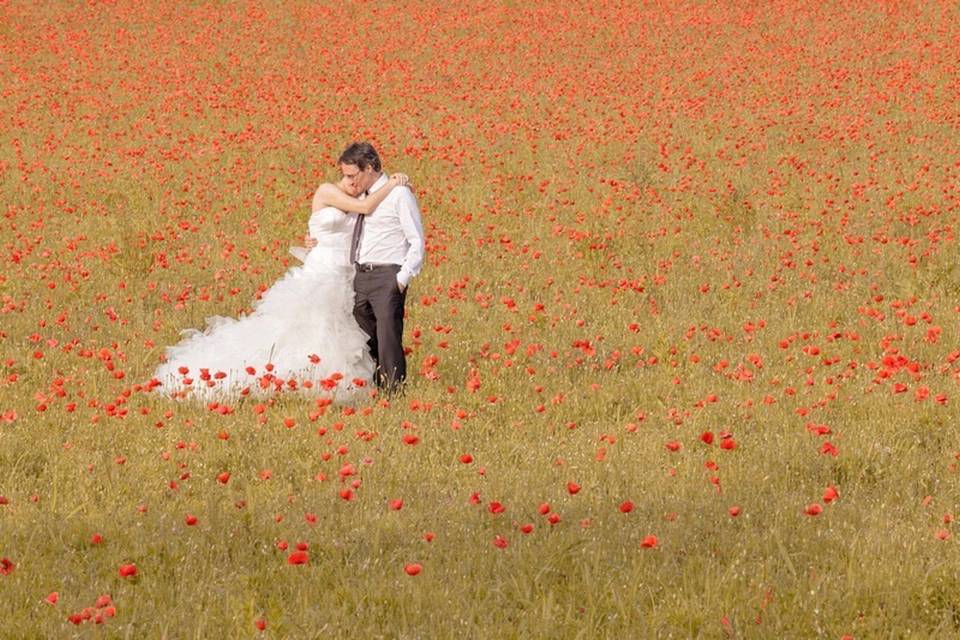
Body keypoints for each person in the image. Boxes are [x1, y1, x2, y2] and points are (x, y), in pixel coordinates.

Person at [151, 171, 410, 400]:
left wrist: (394, 189)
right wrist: (392, 183)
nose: (351, 183)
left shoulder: (363, 197)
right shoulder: (327, 190)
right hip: (320, 269)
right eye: (347, 177)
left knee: (337, 328)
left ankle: (339, 376)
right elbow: (363, 208)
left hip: (344, 272)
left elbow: (367, 221)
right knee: (300, 323)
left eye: (356, 178)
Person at [308, 142, 424, 394]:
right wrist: (315, 239)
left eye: (352, 174)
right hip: (358, 275)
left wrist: (402, 278)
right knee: (363, 339)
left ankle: (394, 394)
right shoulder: (359, 196)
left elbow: (416, 239)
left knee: (388, 338)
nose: (348, 180)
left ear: (369, 167)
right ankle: (371, 388)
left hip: (387, 274)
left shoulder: (399, 194)